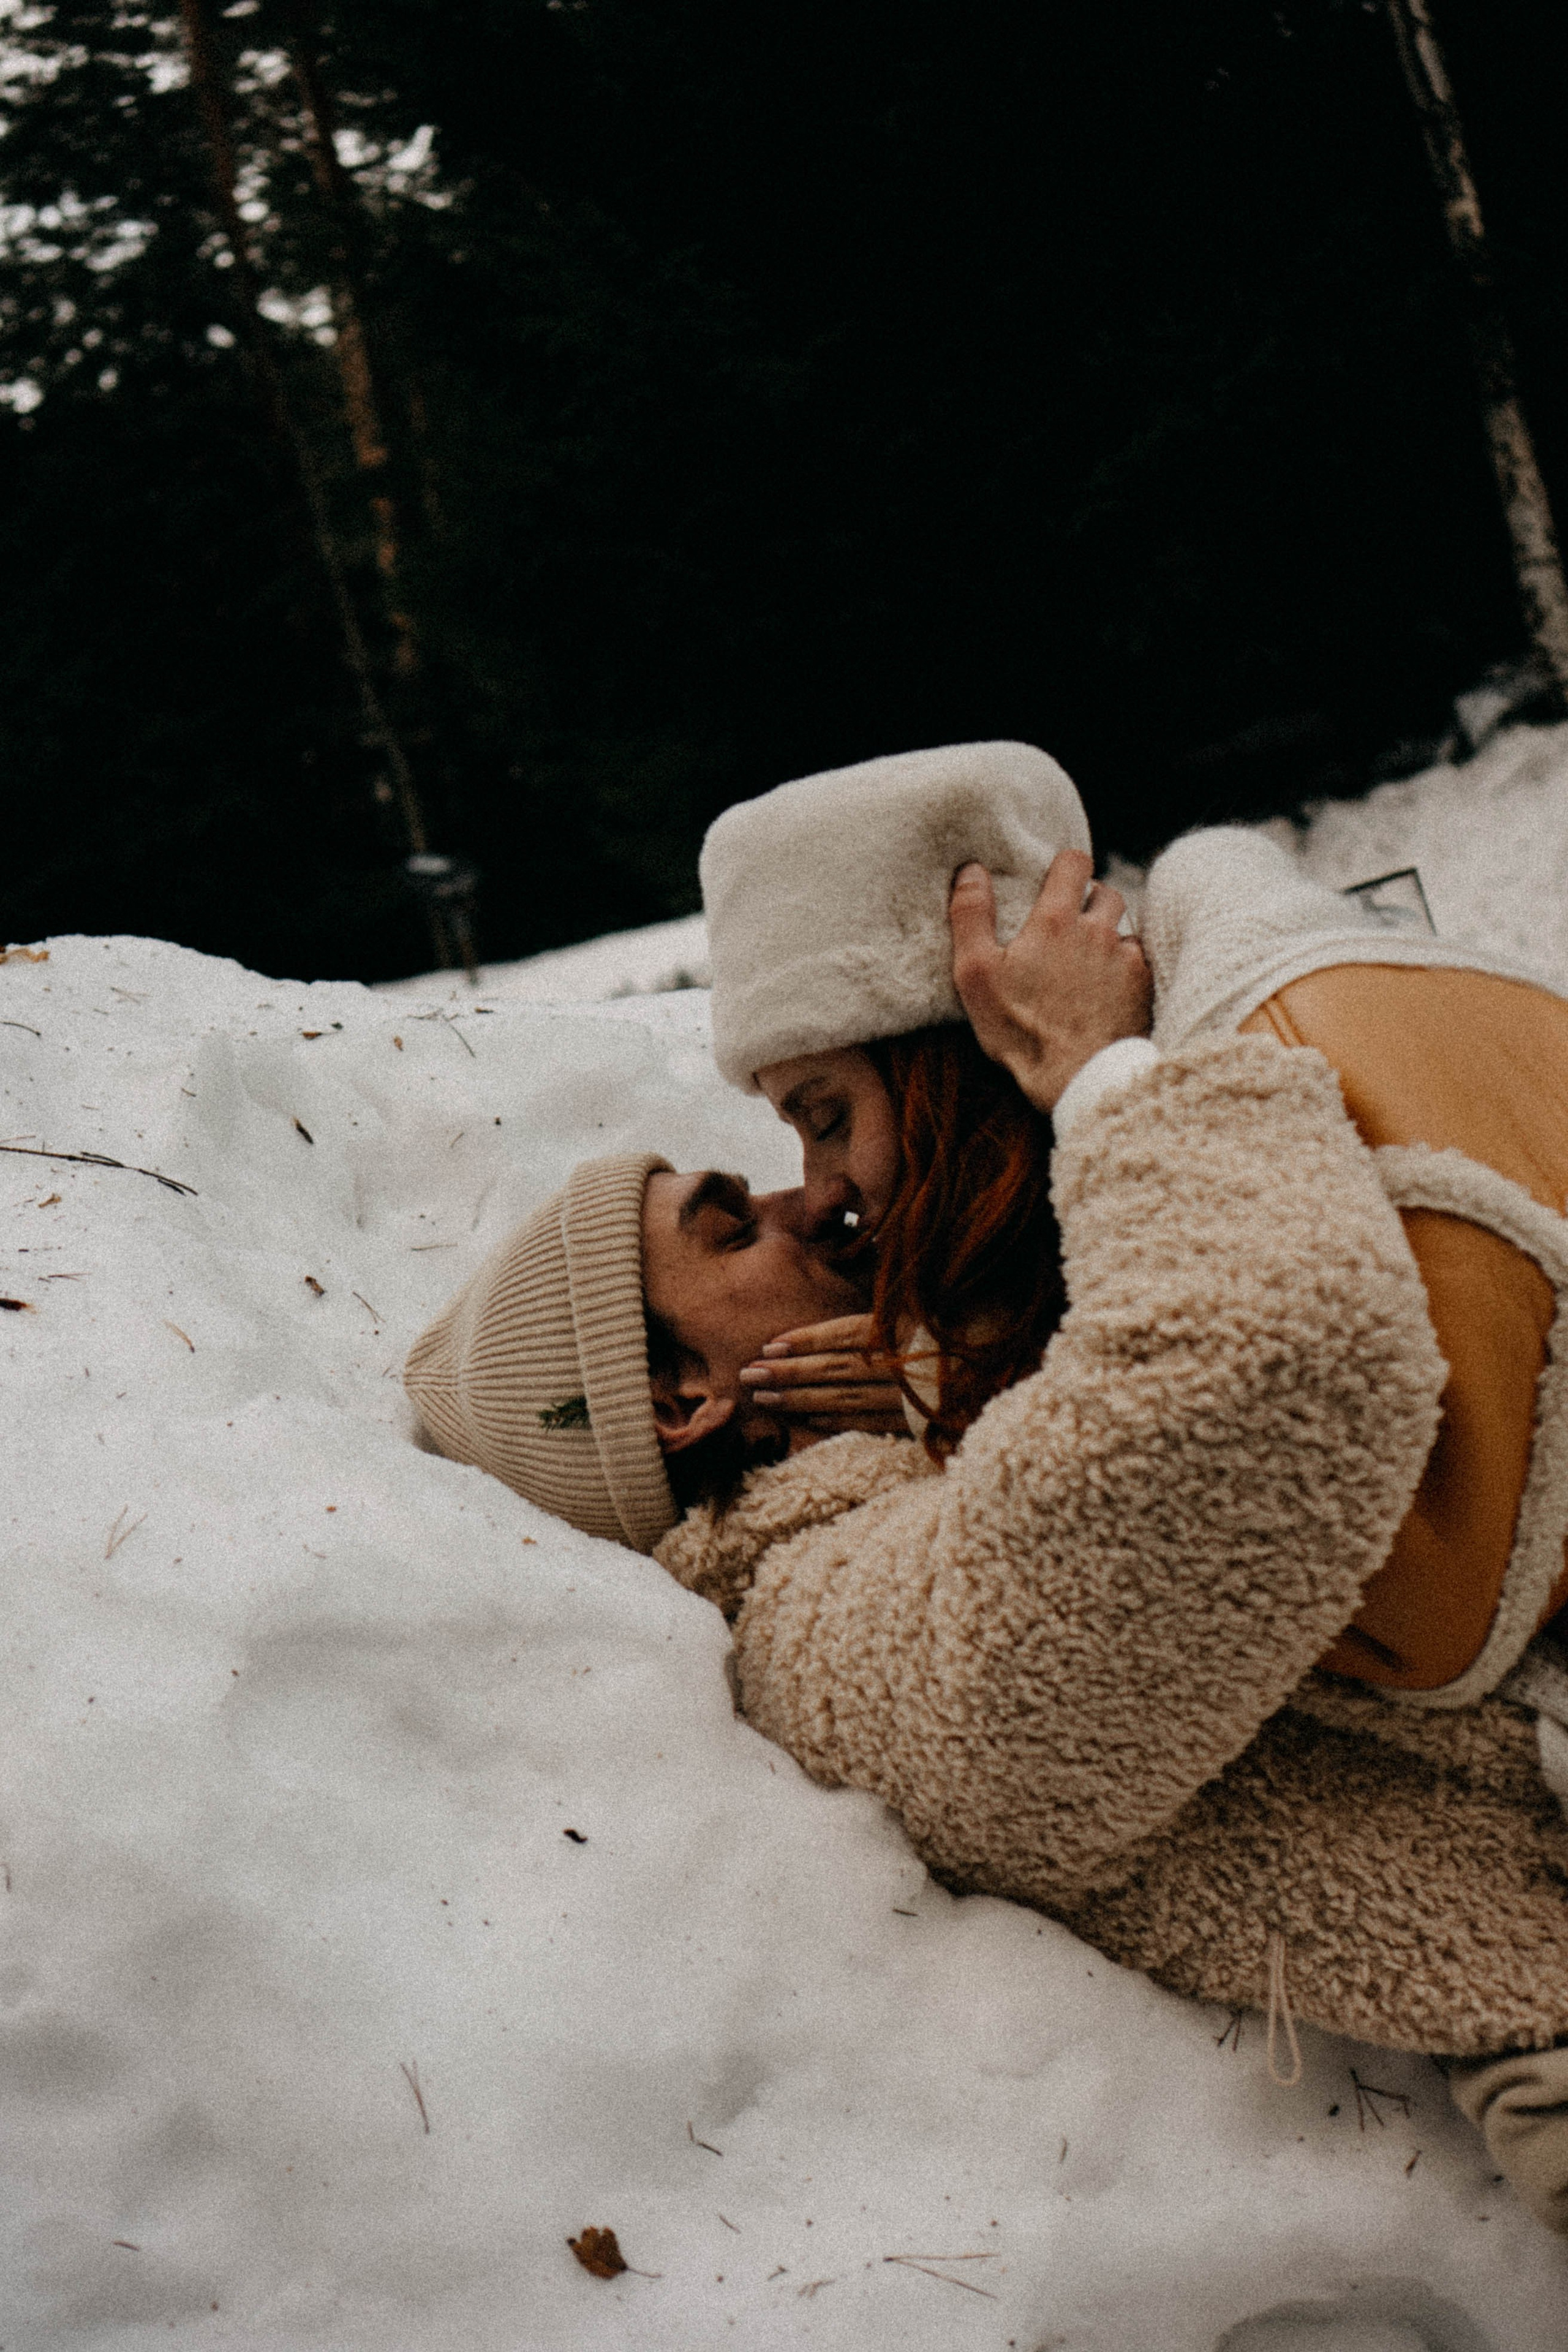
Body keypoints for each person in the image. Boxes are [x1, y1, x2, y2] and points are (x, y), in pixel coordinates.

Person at [405, 740, 1568, 2236]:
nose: (806, 1195)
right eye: (730, 1220)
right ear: (679, 1398)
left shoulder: (910, 1458)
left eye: (821, 1123)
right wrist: (1108, 1077)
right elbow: (1256, 1378)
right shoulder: (825, 1635)